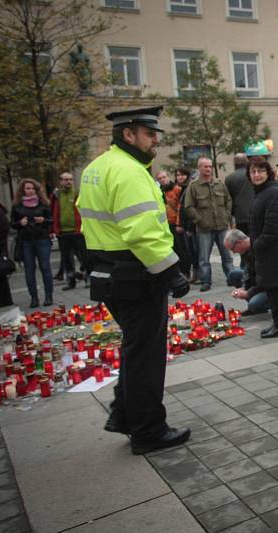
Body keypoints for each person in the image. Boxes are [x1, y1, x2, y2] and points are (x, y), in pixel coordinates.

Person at [78, 106, 191, 454]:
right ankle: (148, 430)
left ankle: (125, 414)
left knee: (134, 348)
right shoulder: (129, 172)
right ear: (128, 134)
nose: (156, 139)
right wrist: (171, 273)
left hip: (110, 270)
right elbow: (142, 232)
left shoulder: (97, 167)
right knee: (146, 355)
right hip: (137, 274)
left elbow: (85, 218)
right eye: (149, 132)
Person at [245, 158, 278, 338]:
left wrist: (257, 245)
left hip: (275, 250)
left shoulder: (273, 192)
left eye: (260, 171)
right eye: (253, 172)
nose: (257, 175)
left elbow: (273, 227)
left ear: (268, 173)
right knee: (272, 288)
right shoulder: (261, 192)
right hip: (268, 250)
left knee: (275, 288)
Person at [184, 157, 234, 292]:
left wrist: (227, 215)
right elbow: (188, 206)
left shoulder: (219, 183)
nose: (208, 169)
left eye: (210, 166)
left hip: (222, 225)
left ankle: (232, 278)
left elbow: (228, 200)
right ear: (199, 168)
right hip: (204, 228)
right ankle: (206, 281)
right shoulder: (194, 186)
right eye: (205, 166)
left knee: (227, 255)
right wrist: (199, 220)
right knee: (204, 258)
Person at [11, 178, 54, 308]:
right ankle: (34, 297)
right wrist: (20, 223)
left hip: (42, 239)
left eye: (32, 188)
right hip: (26, 240)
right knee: (29, 270)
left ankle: (48, 295)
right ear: (22, 190)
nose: (30, 191)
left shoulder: (43, 203)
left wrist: (44, 220)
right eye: (27, 188)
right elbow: (12, 223)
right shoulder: (17, 206)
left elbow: (51, 220)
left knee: (45, 267)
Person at [51, 172, 89, 290]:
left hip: (78, 231)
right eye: (65, 179)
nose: (68, 182)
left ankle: (88, 278)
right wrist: (54, 229)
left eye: (71, 179)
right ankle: (70, 280)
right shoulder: (56, 195)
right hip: (63, 232)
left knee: (84, 257)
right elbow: (52, 211)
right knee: (67, 259)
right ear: (60, 181)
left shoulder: (78, 193)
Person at [224, 233, 269, 317]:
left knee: (253, 304)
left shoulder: (257, 249)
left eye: (233, 249)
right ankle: (255, 304)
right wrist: (243, 287)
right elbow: (247, 271)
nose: (234, 252)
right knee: (233, 275)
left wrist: (248, 293)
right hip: (258, 281)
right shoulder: (245, 251)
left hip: (270, 285)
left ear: (239, 242)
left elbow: (265, 278)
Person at [156, 170, 190, 277]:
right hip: (166, 223)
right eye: (160, 178)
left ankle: (186, 271)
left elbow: (181, 207)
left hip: (176, 223)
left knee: (181, 249)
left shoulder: (177, 189)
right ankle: (179, 272)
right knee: (172, 249)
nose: (162, 179)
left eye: (164, 177)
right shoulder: (158, 191)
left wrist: (179, 223)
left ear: (168, 177)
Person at [174, 168, 198, 280]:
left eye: (182, 175)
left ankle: (197, 275)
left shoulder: (189, 188)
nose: (180, 177)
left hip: (189, 226)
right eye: (178, 175)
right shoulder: (180, 189)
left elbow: (188, 209)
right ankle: (191, 274)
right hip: (183, 225)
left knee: (193, 252)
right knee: (187, 251)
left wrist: (189, 227)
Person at [224, 153, 254, 236]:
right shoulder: (253, 175)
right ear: (246, 161)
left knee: (242, 242)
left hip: (239, 216)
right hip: (255, 213)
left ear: (234, 163)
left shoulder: (229, 178)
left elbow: (228, 199)